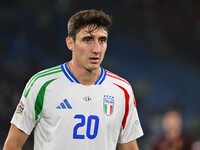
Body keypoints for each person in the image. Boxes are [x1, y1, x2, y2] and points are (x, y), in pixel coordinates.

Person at [3, 9, 144, 150]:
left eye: (102, 40)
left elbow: (130, 147)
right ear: (70, 43)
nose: (96, 49)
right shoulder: (42, 84)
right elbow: (12, 145)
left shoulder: (122, 90)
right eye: (88, 40)